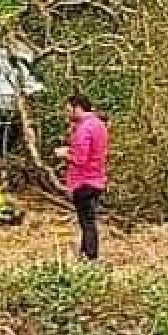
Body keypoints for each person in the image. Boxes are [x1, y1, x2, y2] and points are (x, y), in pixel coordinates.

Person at [55, 94, 109, 261]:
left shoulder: (84, 128)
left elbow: (80, 158)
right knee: (89, 221)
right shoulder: (99, 125)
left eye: (69, 110)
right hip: (97, 178)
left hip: (83, 181)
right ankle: (86, 255)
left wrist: (64, 154)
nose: (67, 114)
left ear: (77, 108)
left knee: (87, 223)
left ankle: (90, 257)